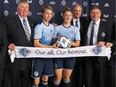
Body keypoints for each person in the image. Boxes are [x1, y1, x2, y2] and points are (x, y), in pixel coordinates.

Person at [4, 1, 36, 87]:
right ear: (17, 9)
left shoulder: (32, 22)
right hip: (14, 63)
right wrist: (8, 44)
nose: (25, 10)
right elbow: (2, 37)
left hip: (28, 63)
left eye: (26, 8)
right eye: (22, 7)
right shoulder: (9, 21)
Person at [81, 6, 111, 87]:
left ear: (100, 14)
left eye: (97, 13)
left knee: (100, 82)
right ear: (90, 14)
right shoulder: (85, 23)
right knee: (87, 81)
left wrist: (104, 42)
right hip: (87, 57)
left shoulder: (106, 25)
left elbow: (110, 40)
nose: (95, 15)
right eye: (93, 13)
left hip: (100, 57)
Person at [53, 7, 80, 87]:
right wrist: (57, 40)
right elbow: (52, 42)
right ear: (63, 16)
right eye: (66, 15)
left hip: (70, 56)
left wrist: (69, 42)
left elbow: (77, 44)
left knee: (66, 77)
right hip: (58, 55)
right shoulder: (57, 28)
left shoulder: (75, 29)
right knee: (58, 77)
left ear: (72, 17)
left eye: (70, 15)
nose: (68, 17)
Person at [31, 5, 56, 87]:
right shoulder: (39, 27)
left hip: (48, 57)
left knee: (45, 78)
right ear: (42, 14)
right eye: (47, 13)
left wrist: (59, 39)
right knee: (36, 80)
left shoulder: (52, 27)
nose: (49, 16)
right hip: (39, 57)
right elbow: (36, 43)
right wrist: (50, 47)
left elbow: (51, 40)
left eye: (50, 14)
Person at [71, 3, 88, 87]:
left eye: (79, 11)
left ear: (81, 12)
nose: (77, 12)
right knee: (70, 72)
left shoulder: (86, 21)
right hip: (70, 51)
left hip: (82, 52)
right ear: (72, 11)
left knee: (81, 72)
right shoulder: (67, 20)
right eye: (75, 11)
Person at [106, 22, 116, 87]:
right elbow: (110, 39)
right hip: (114, 58)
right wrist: (111, 43)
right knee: (112, 79)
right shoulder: (114, 24)